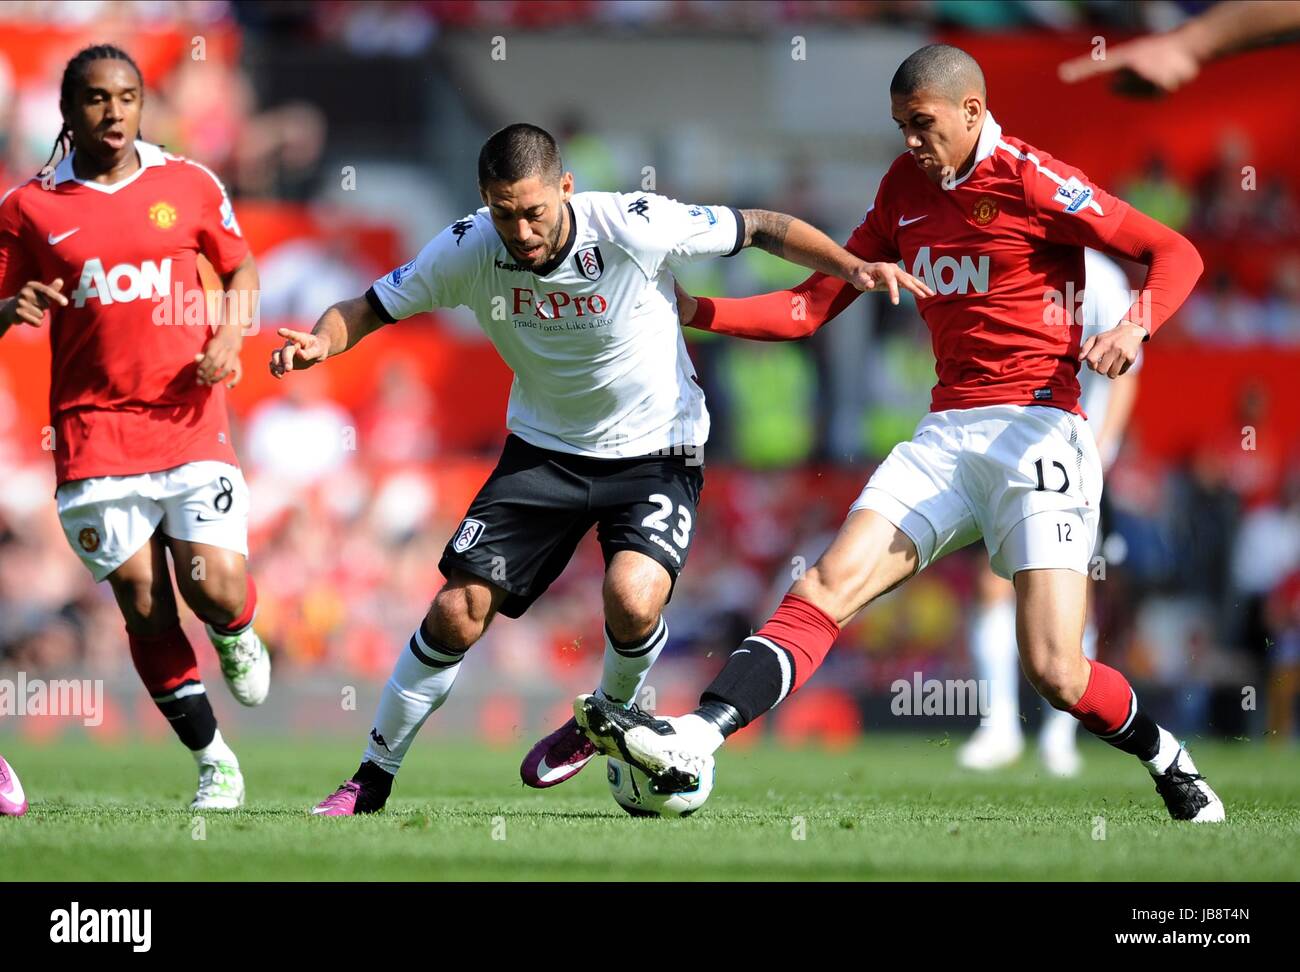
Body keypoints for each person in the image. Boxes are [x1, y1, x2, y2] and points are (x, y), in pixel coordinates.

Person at [577, 44, 1225, 823]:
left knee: (1056, 670)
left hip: (1040, 433)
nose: (911, 143)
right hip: (946, 434)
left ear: (972, 111)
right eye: (900, 127)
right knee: (824, 585)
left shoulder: (1032, 179)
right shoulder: (901, 191)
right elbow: (808, 307)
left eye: (922, 124)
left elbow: (1174, 251)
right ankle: (697, 735)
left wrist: (1134, 327)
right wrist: (695, 312)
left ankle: (1169, 759)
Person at [272, 123, 929, 815]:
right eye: (503, 212)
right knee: (456, 612)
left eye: (534, 211)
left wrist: (848, 266)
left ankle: (605, 716)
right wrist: (322, 341)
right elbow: (369, 308)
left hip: (657, 449)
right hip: (544, 450)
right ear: (484, 203)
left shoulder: (631, 224)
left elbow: (761, 227)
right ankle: (371, 777)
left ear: (565, 189)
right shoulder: (467, 247)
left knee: (633, 596)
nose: (520, 230)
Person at [0, 45, 269, 810]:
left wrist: (226, 336)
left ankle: (234, 628)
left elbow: (242, 269)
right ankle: (215, 762)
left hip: (187, 418)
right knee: (145, 606)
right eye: (94, 98)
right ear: (66, 111)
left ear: (142, 104)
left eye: (126, 96)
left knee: (212, 590)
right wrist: (5, 310)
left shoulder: (188, 183)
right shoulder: (28, 208)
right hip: (92, 433)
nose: (112, 111)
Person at [959, 249, 1140, 776]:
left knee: (1070, 596)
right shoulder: (1012, 259)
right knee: (993, 585)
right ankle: (998, 728)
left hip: (1074, 460)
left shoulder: (1101, 278)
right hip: (1013, 455)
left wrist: (1100, 457)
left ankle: (1060, 737)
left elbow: (1126, 375)